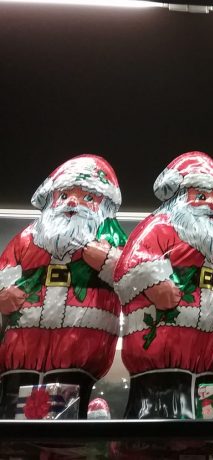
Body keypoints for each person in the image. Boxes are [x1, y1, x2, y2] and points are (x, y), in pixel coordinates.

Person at [114, 152, 213, 419]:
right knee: (160, 416)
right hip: (161, 359)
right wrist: (155, 283)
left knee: (202, 425)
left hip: (211, 358)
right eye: (201, 195)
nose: (211, 205)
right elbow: (130, 264)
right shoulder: (160, 227)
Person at [0, 155, 125, 418]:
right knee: (16, 416)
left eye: (87, 197)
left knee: (67, 418)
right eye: (65, 194)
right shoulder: (27, 239)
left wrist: (107, 261)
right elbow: (5, 270)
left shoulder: (110, 238)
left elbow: (131, 276)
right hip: (21, 349)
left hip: (79, 349)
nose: (73, 202)